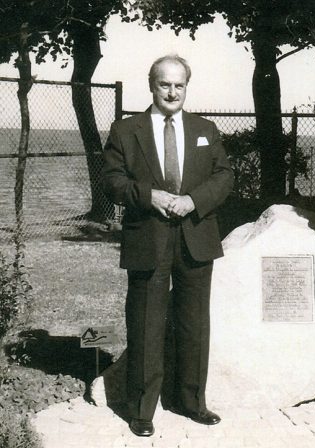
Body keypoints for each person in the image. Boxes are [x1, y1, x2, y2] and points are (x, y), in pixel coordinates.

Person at [102, 54, 234, 437]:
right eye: (165, 84)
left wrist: (194, 201)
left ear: (186, 87)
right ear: (152, 85)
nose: (172, 92)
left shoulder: (204, 128)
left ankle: (190, 401)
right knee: (146, 323)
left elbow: (224, 176)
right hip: (149, 238)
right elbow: (112, 180)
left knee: (194, 325)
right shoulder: (126, 130)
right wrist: (150, 196)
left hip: (196, 237)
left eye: (179, 85)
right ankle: (141, 409)